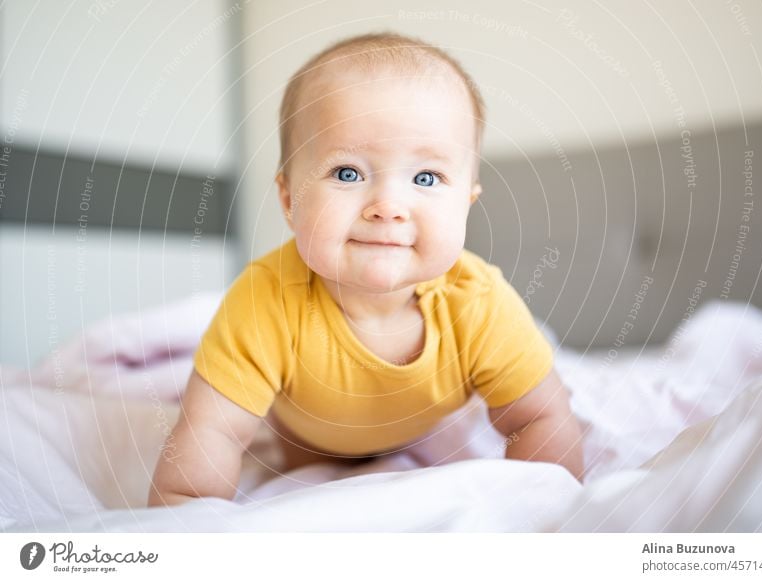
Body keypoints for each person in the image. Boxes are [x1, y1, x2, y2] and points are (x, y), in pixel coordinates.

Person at [148, 32, 583, 507]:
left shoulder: (478, 304)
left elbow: (540, 418)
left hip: (426, 427)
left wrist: (545, 516)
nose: (388, 207)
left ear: (466, 204)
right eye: (348, 173)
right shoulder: (265, 299)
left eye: (425, 178)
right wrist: (180, 522)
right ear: (290, 200)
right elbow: (211, 433)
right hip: (304, 440)